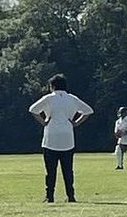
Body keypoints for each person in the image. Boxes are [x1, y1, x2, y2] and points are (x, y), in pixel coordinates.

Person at [29, 74, 93, 203]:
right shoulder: (72, 99)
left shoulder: (49, 98)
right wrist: (76, 122)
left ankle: (50, 195)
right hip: (68, 137)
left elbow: (33, 109)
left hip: (51, 136)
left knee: (50, 170)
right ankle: (70, 195)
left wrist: (43, 122)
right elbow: (88, 111)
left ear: (52, 86)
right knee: (68, 169)